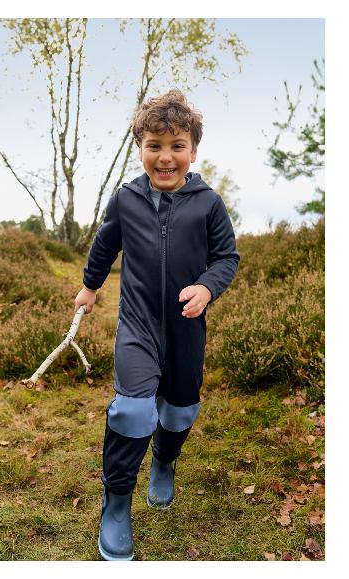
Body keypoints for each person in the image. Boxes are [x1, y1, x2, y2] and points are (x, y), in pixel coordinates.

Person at [74, 88, 240, 561]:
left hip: (187, 330)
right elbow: (105, 247)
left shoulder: (208, 203)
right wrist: (90, 286)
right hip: (138, 327)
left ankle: (164, 462)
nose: (165, 157)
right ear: (140, 148)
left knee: (180, 411)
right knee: (131, 411)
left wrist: (207, 287)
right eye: (154, 146)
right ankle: (117, 503)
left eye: (177, 146)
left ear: (193, 150)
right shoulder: (125, 200)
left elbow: (227, 256)